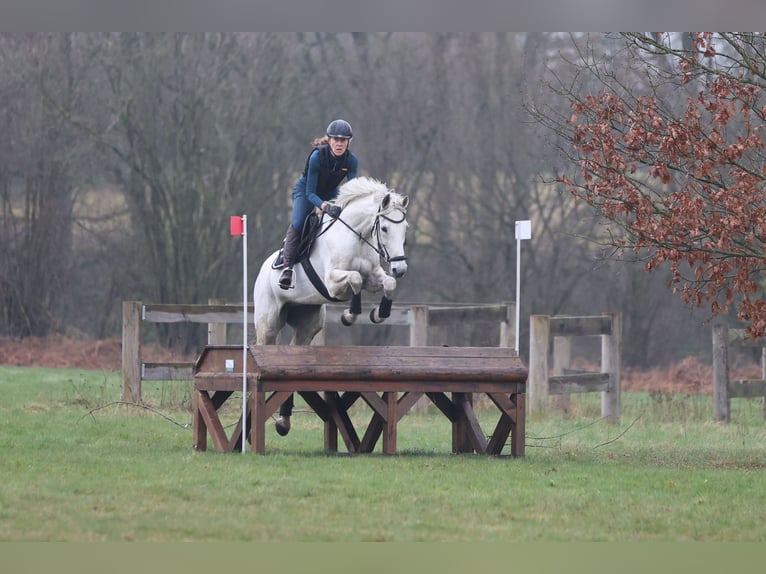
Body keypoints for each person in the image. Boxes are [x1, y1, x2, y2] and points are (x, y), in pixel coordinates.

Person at [277, 119, 358, 290]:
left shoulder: (351, 161)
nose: (339, 143)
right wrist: (324, 206)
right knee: (299, 222)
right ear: (329, 140)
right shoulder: (316, 156)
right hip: (306, 191)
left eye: (343, 140)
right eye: (336, 139)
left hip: (331, 192)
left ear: (348, 142)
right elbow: (310, 193)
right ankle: (287, 267)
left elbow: (352, 190)